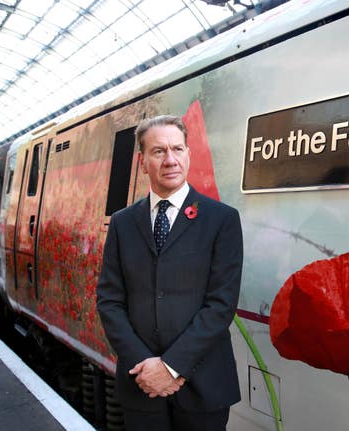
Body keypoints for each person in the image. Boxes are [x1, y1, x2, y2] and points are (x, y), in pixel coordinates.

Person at [96, 115, 243, 431]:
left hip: (204, 385)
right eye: (158, 151)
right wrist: (147, 368)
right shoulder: (122, 223)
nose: (170, 159)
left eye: (177, 148)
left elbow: (221, 305)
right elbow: (109, 300)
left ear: (189, 154)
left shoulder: (222, 220)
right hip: (142, 384)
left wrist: (172, 366)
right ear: (142, 161)